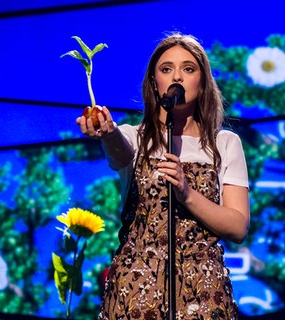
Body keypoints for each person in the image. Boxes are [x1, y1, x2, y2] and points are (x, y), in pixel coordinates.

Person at [76, 32, 250, 320]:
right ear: (154, 83)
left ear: (202, 81)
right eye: (166, 69)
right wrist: (108, 133)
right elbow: (119, 151)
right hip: (136, 288)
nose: (177, 77)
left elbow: (237, 227)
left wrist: (187, 193)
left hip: (203, 293)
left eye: (188, 69)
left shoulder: (225, 144)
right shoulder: (134, 138)